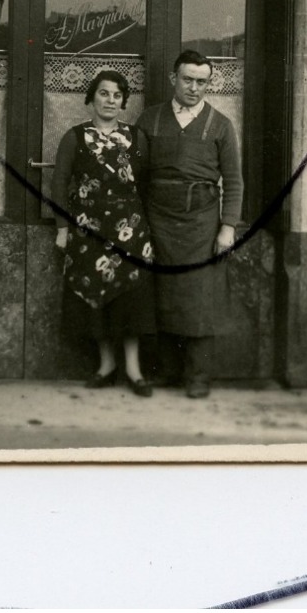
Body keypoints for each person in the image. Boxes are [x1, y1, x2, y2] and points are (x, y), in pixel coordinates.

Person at [134, 50, 243, 399]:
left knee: (199, 299)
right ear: (173, 79)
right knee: (162, 295)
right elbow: (135, 175)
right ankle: (166, 371)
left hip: (202, 223)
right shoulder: (149, 120)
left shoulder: (221, 125)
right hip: (158, 220)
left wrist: (227, 228)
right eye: (187, 80)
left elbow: (235, 181)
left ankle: (197, 376)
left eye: (201, 82)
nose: (194, 88)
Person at [53, 69, 155, 397]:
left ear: (124, 101)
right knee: (94, 297)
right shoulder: (75, 137)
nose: (110, 100)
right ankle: (106, 365)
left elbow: (147, 185)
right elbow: (59, 183)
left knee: (132, 298)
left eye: (116, 95)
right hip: (89, 232)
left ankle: (134, 370)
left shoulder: (137, 138)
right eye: (103, 93)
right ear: (92, 98)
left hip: (130, 232)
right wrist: (62, 228)